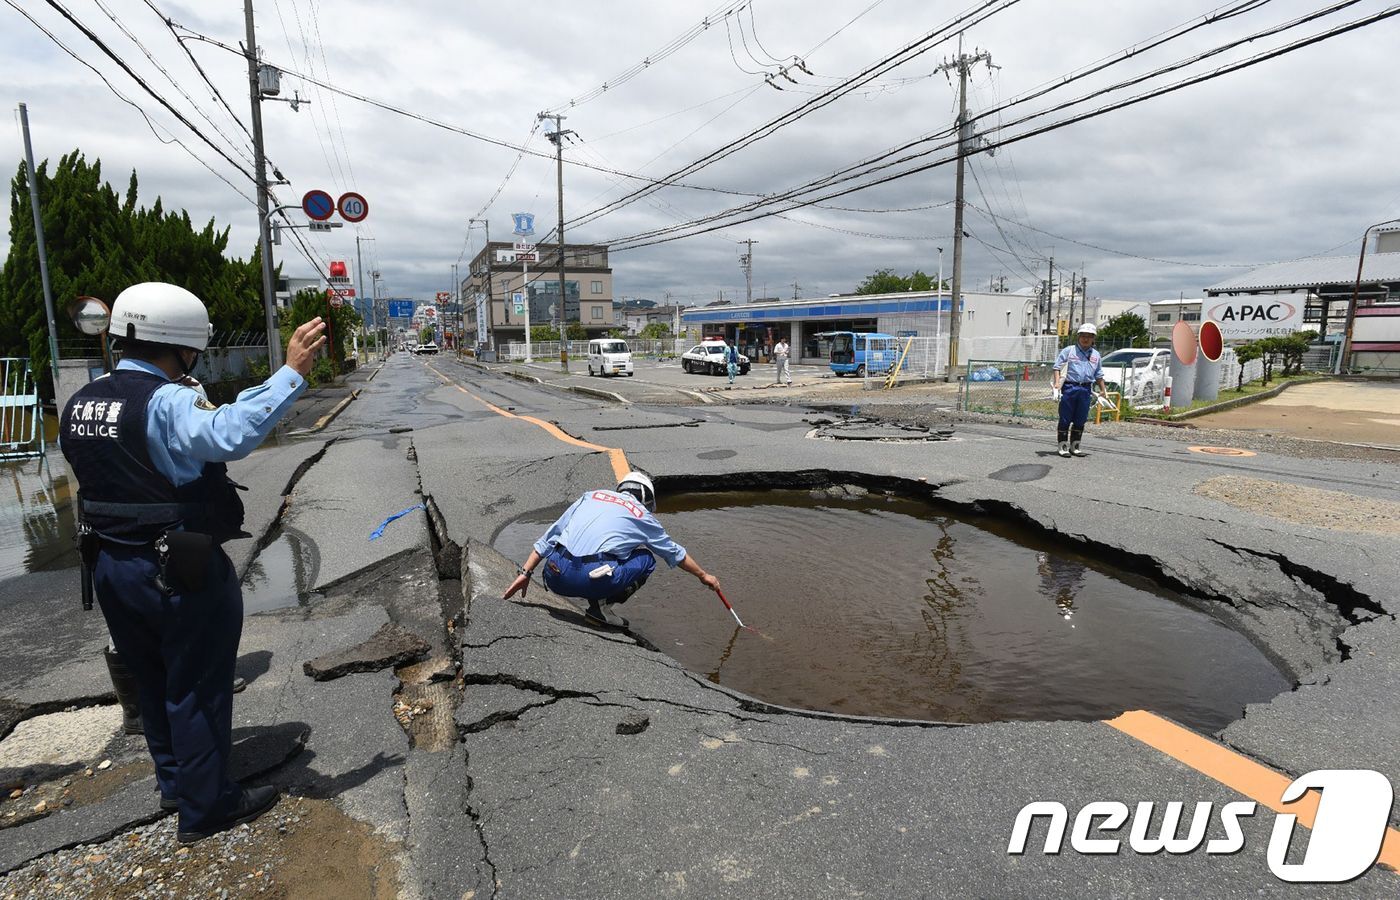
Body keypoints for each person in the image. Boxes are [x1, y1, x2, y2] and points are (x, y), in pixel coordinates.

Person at [59, 282, 327, 844]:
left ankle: (177, 782)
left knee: (152, 680)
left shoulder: (83, 401)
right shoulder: (167, 402)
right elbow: (229, 433)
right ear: (184, 346)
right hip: (176, 564)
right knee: (198, 683)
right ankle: (208, 807)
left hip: (110, 563)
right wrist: (292, 373)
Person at [502, 471, 722, 627]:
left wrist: (525, 573)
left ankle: (596, 599)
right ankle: (601, 608)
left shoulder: (590, 496)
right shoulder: (641, 514)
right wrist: (704, 576)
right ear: (647, 499)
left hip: (554, 574)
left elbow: (551, 535)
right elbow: (675, 553)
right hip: (590, 579)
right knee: (647, 558)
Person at [1051, 322, 1112, 458]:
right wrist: (1057, 383)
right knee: (1065, 418)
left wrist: (1103, 390)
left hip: (1086, 389)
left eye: (1089, 336)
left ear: (1093, 339)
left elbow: (1099, 374)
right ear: (1078, 336)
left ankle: (1075, 446)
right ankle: (1063, 446)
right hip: (1070, 387)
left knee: (1081, 418)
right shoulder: (1069, 351)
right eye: (1083, 336)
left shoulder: (1096, 355)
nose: (1086, 339)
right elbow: (1057, 367)